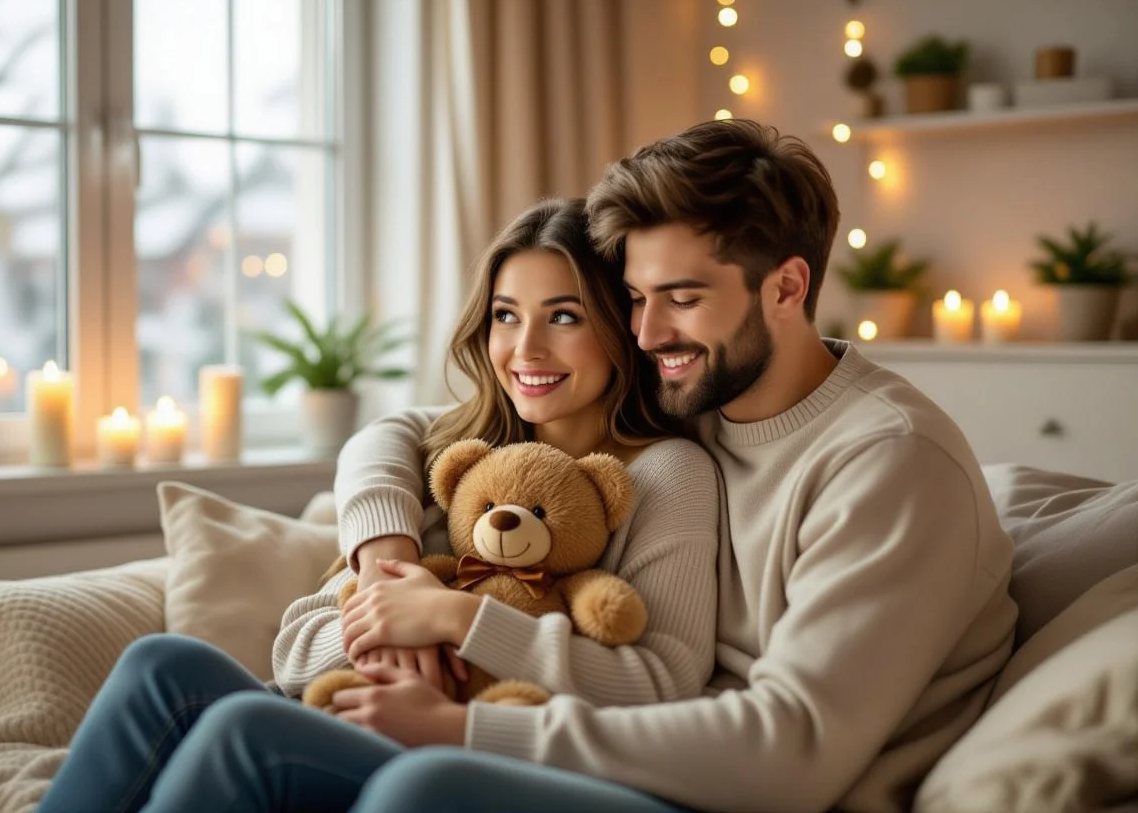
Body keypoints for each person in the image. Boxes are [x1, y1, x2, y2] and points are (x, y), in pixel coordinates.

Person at [316, 118, 1019, 813]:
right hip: (640, 754)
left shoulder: (891, 461)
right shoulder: (697, 390)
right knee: (213, 692)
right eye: (634, 299)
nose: (647, 335)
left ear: (785, 287)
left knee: (422, 787)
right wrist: (385, 557)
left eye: (682, 299)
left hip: (750, 789)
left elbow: (792, 752)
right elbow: (408, 431)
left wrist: (466, 729)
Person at [35, 197, 721, 813]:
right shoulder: (458, 459)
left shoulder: (667, 474)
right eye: (506, 316)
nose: (526, 348)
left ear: (617, 327)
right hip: (347, 709)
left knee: (248, 733)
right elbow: (295, 653)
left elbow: (663, 687)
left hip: (482, 747)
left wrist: (456, 616)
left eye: (564, 317)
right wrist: (392, 603)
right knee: (161, 665)